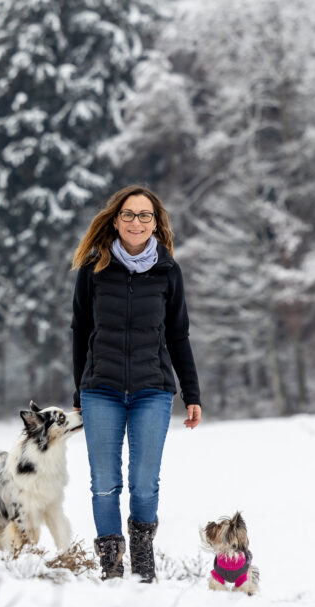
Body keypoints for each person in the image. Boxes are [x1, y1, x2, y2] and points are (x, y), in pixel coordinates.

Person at [70, 185, 202, 583]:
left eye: (145, 215)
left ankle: (143, 561)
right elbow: (80, 332)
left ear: (156, 224)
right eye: (128, 214)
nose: (136, 222)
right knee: (104, 483)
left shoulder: (168, 272)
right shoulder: (94, 269)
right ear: (115, 220)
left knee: (144, 483)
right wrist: (80, 389)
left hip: (152, 389)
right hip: (101, 390)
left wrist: (191, 393)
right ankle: (111, 565)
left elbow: (179, 335)